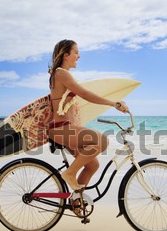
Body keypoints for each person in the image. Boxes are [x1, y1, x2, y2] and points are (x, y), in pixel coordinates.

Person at [47, 39, 129, 192]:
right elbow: (85, 94)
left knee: (92, 165)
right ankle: (70, 173)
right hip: (61, 129)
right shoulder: (61, 73)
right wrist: (113, 104)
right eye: (76, 52)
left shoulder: (60, 74)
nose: (79, 56)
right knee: (102, 141)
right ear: (66, 55)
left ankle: (77, 202)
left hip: (65, 129)